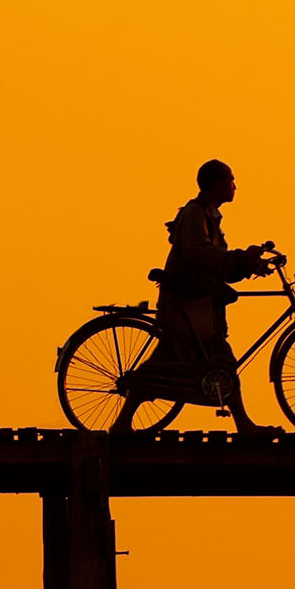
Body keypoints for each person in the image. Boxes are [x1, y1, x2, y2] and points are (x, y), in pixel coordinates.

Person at [117, 158, 278, 435]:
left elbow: (219, 263)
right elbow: (200, 254)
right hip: (185, 305)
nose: (234, 186)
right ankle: (244, 425)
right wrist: (238, 259)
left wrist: (249, 263)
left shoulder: (209, 215)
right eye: (230, 180)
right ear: (217, 184)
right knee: (201, 360)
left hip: (198, 306)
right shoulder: (195, 214)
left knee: (211, 361)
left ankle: (122, 423)